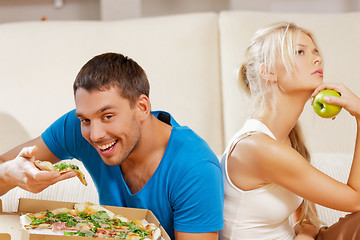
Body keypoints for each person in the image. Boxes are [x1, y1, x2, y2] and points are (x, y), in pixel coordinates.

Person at [0, 52, 224, 240]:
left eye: (108, 116)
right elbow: (4, 164)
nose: (95, 135)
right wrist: (10, 175)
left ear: (142, 107)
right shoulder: (78, 128)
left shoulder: (196, 169)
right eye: (85, 119)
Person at [220, 22, 360, 240]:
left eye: (315, 52)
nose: (317, 59)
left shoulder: (288, 138)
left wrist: (305, 234)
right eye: (300, 52)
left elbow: (307, 218)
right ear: (268, 72)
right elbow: (356, 200)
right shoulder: (258, 148)